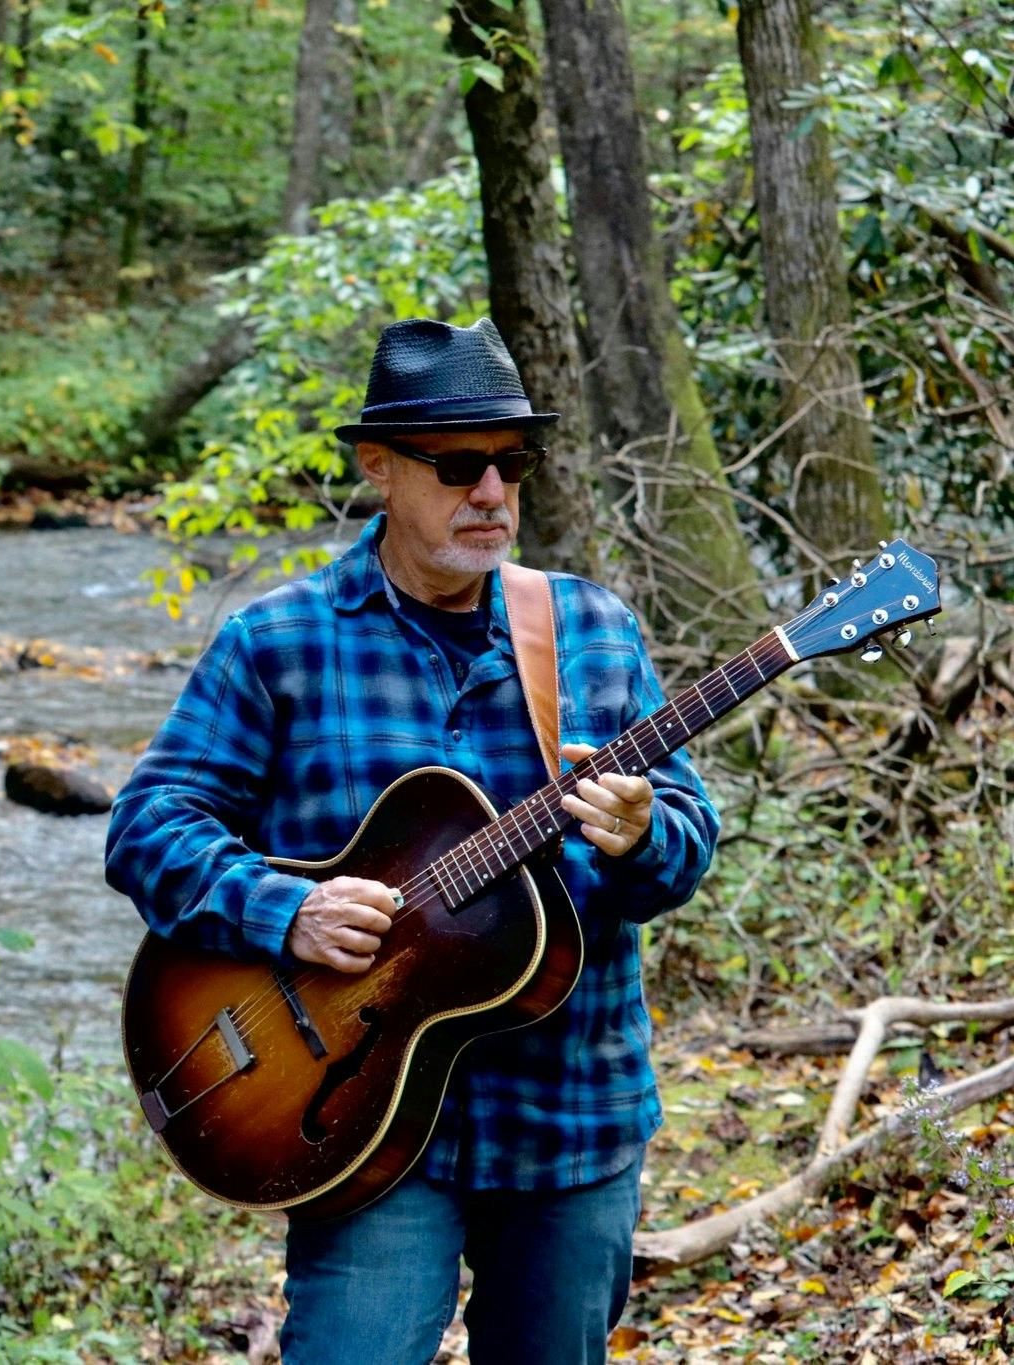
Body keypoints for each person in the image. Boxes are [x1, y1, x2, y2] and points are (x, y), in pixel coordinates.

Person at [103, 317, 720, 1365]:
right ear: (378, 469)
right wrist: (282, 908)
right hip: (355, 1115)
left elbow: (684, 843)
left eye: (509, 462)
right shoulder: (279, 641)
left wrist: (640, 832)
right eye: (457, 464)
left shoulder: (590, 630)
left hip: (567, 1112)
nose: (490, 492)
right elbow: (148, 826)